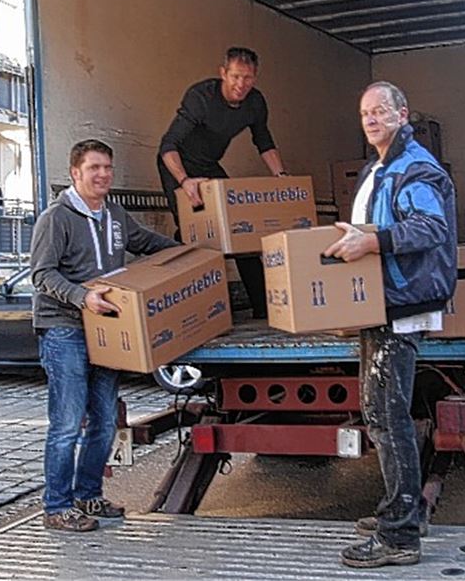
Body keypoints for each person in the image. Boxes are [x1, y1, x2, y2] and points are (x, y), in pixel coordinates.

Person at [324, 82, 457, 568]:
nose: (371, 118)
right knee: (380, 411)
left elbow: (431, 227)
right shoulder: (379, 168)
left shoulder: (415, 167)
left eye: (381, 110)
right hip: (382, 304)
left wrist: (372, 242)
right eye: (365, 112)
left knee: (387, 414)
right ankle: (405, 513)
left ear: (403, 115)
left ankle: (399, 535)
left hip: (402, 304)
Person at [30, 139, 179, 532]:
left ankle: (88, 495)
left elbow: (145, 243)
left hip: (106, 330)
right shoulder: (56, 218)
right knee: (67, 423)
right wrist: (83, 297)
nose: (102, 175)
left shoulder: (114, 214)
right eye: (94, 168)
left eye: (107, 167)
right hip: (65, 329)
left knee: (105, 420)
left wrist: (192, 252)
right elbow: (41, 275)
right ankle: (57, 506)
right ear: (75, 173)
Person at [157, 46, 289, 319]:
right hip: (178, 166)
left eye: (248, 78)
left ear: (255, 78)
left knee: (240, 228)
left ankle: (264, 310)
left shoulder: (255, 103)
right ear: (223, 74)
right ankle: (192, 306)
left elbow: (263, 140)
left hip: (208, 165)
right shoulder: (201, 97)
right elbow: (168, 145)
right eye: (236, 76)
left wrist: (281, 177)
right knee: (193, 233)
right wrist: (184, 181)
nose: (241, 84)